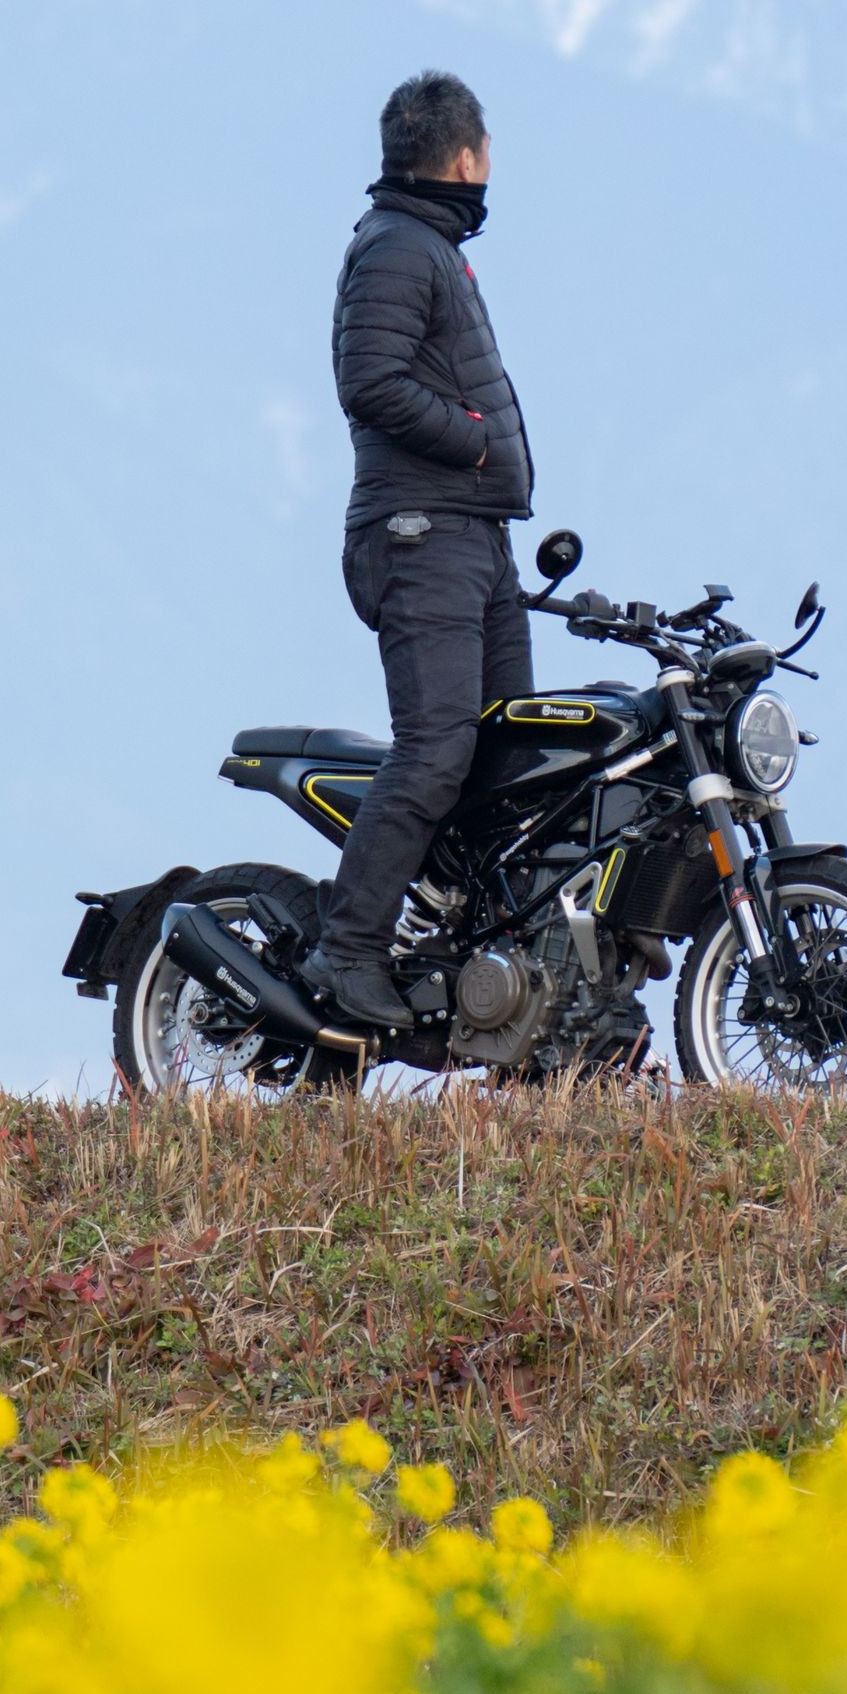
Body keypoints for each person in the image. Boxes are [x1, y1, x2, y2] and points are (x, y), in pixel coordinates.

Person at [302, 70, 534, 1031]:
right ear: (468, 157)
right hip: (419, 533)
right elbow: (368, 380)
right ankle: (348, 946)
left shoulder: (429, 246)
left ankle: (501, 970)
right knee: (439, 747)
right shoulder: (398, 246)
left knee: (515, 758)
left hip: (474, 537)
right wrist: (475, 442)